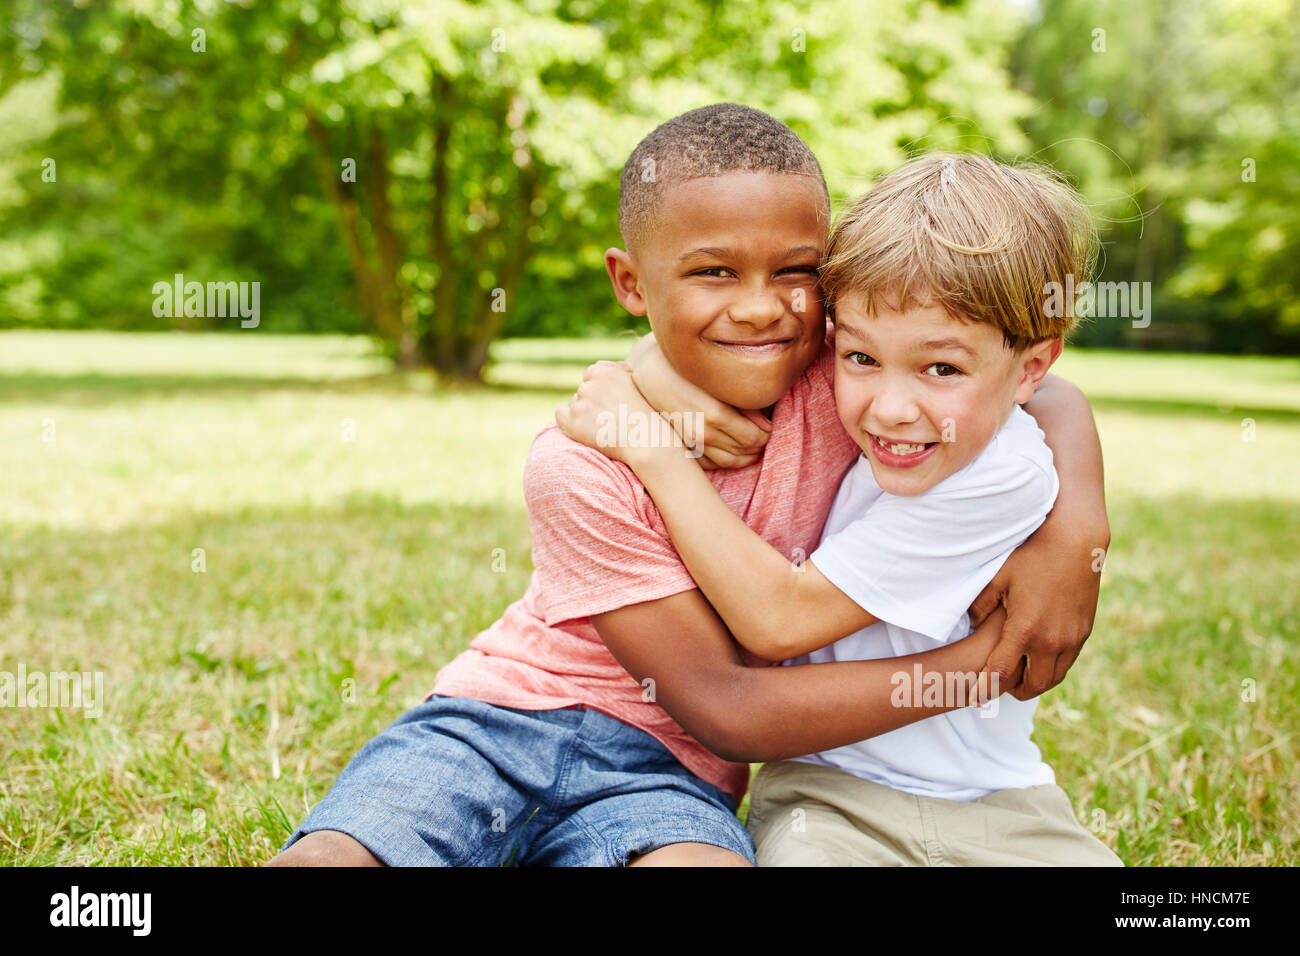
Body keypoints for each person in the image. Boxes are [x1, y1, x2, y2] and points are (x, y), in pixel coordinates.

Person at [269, 105, 1109, 868]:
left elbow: (1031, 384)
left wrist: (1078, 529)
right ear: (631, 284)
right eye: (713, 273)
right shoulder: (581, 461)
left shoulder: (849, 382)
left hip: (669, 778)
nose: (759, 310)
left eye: (796, 272)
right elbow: (730, 702)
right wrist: (975, 668)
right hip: (493, 727)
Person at [557, 152, 1121, 865]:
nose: (888, 408)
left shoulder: (998, 473)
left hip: (1002, 803)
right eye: (858, 358)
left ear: (1030, 368)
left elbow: (779, 621)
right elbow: (733, 335)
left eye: (940, 369)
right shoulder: (861, 377)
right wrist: (646, 374)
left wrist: (656, 455)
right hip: (826, 796)